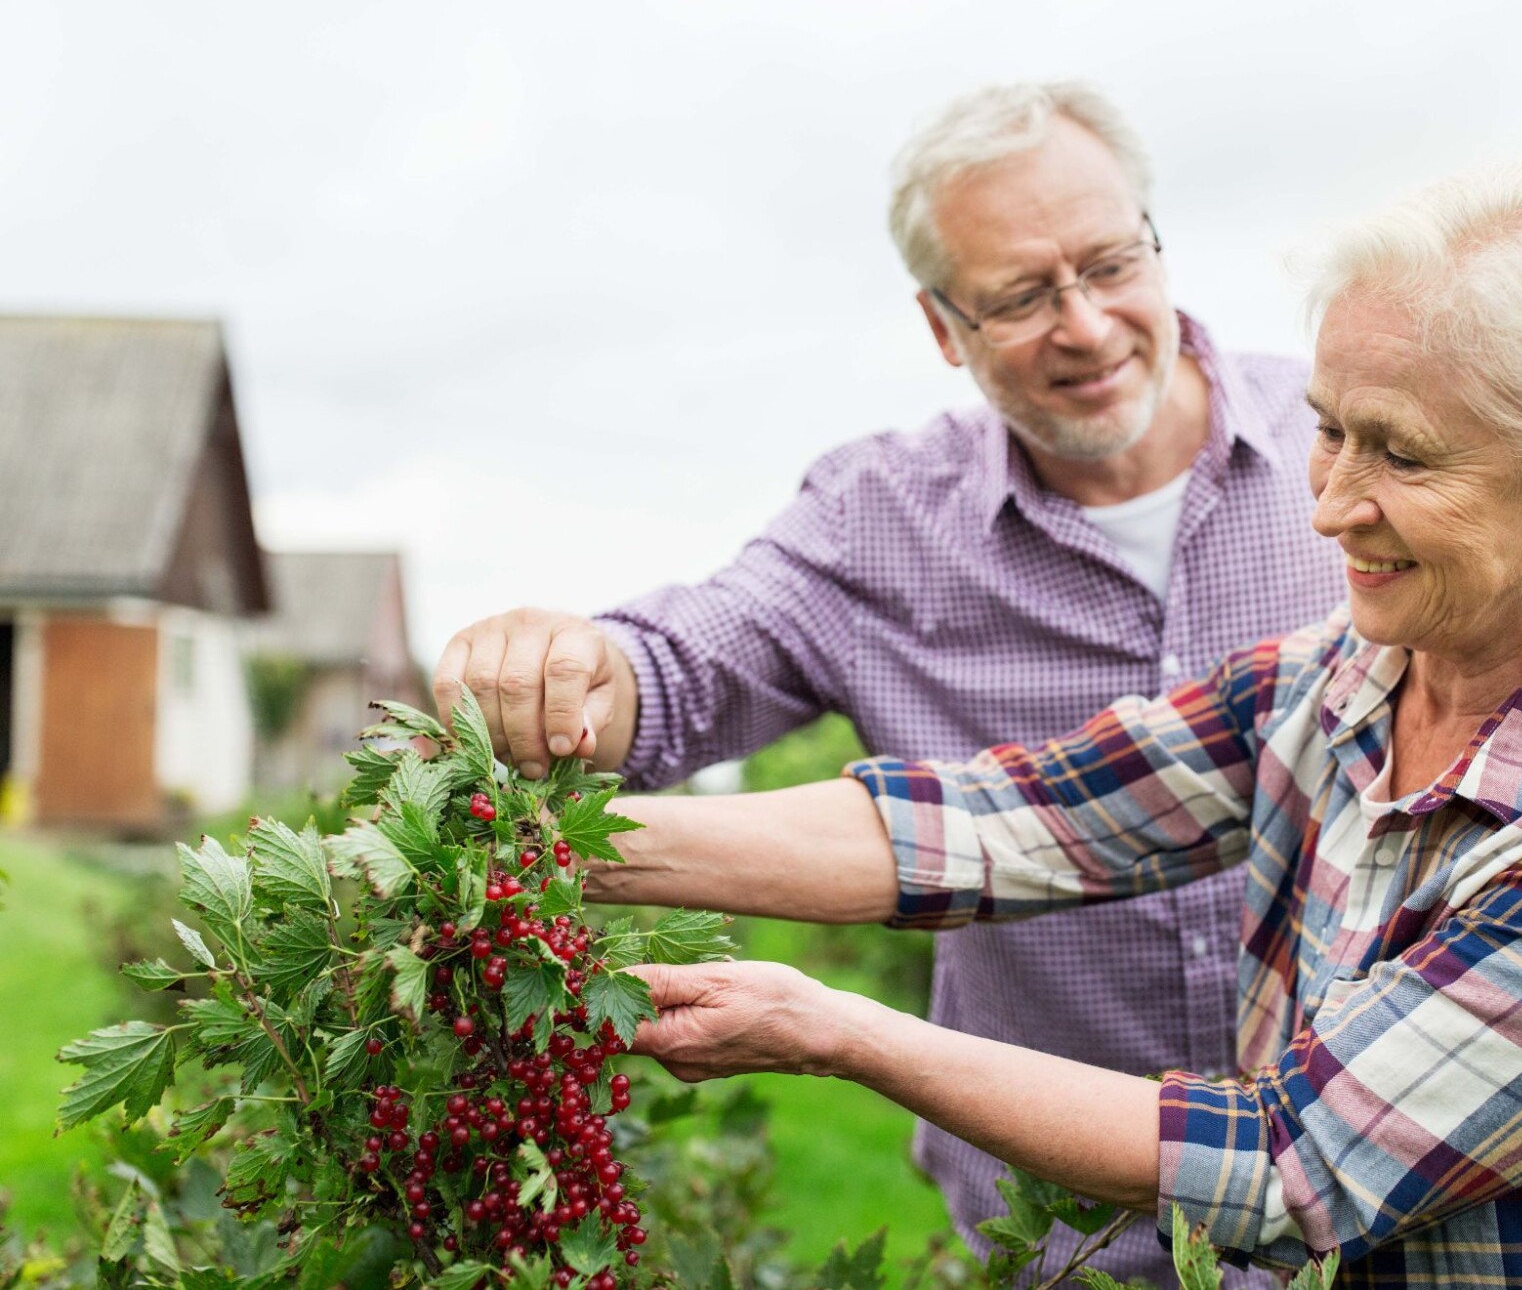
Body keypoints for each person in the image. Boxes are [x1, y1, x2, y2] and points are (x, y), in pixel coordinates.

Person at [598, 166, 1522, 1285]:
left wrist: (840, 1030)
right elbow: (1016, 823)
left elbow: (1292, 1164)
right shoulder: (1345, 682)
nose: (1328, 505)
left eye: (1402, 455)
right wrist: (557, 842)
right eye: (1327, 431)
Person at [434, 81, 1342, 1281]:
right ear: (940, 325)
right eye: (1019, 296)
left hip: (1377, 1212)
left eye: (1111, 263)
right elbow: (681, 665)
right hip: (1062, 1243)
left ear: (1157, 241)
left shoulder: (1352, 449)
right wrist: (564, 672)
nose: (1083, 323)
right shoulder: (881, 526)